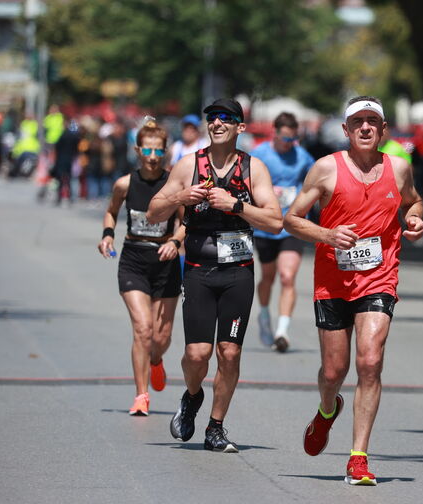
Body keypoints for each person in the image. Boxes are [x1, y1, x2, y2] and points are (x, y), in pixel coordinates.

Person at [284, 96, 423, 485]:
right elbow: (291, 220)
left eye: (372, 122)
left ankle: (358, 458)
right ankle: (328, 409)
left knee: (369, 362)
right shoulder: (325, 169)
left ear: (383, 131)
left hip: (379, 277)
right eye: (357, 122)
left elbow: (415, 202)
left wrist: (414, 219)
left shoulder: (398, 169)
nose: (365, 127)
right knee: (334, 371)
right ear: (345, 130)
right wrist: (328, 234)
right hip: (332, 281)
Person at [147, 98, 282, 453]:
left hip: (238, 272)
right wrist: (181, 195)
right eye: (213, 117)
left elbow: (275, 220)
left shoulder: (254, 169)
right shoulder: (189, 164)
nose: (218, 122)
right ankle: (192, 396)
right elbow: (152, 211)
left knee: (229, 353)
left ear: (240, 127)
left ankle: (216, 427)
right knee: (197, 354)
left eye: (227, 118)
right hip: (197, 271)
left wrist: (236, 205)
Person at [96, 119, 185, 416]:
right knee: (143, 329)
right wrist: (108, 235)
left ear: (165, 152)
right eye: (147, 149)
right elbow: (111, 212)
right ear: (137, 150)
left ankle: (156, 361)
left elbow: (185, 221)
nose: (153, 156)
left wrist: (175, 240)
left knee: (161, 338)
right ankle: (141, 395)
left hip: (166, 262)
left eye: (158, 150)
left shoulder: (174, 185)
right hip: (133, 260)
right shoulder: (124, 184)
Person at [250, 112, 314, 352]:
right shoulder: (259, 155)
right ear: (274, 133)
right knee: (268, 276)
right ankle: (265, 316)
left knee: (287, 276)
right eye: (285, 139)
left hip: (291, 226)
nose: (289, 144)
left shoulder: (302, 156)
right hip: (266, 227)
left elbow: (316, 182)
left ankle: (282, 331)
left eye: (293, 139)